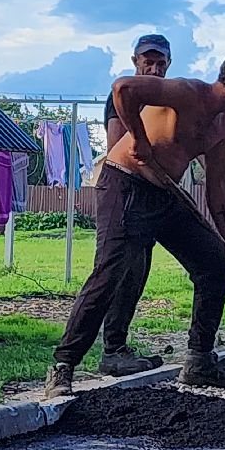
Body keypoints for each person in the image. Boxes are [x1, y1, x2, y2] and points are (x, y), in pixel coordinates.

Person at [46, 50, 225, 397]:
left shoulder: (224, 125)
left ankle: (199, 361)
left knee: (216, 264)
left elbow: (217, 187)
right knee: (110, 273)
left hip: (166, 194)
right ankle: (63, 366)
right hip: (124, 185)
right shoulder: (185, 92)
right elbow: (123, 88)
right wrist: (137, 137)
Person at [93, 33, 174, 377]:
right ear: (136, 62)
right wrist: (152, 166)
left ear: (168, 65)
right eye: (148, 62)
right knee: (116, 269)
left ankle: (118, 345)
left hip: (152, 193)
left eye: (160, 63)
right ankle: (108, 350)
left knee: (137, 270)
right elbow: (116, 147)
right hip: (124, 189)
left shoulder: (170, 100)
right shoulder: (123, 96)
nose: (153, 69)